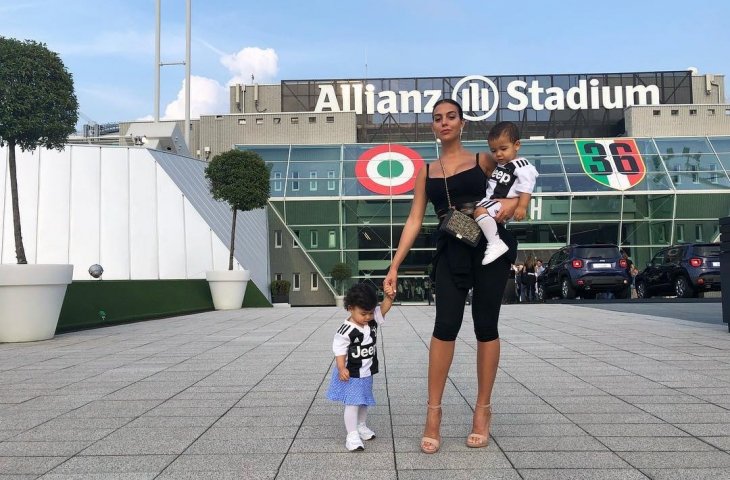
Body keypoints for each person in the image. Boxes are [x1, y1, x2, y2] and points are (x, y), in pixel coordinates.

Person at [383, 98, 518, 454]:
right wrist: (395, 265)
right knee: (445, 327)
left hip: (489, 245)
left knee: (486, 326)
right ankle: (433, 414)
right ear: (433, 127)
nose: (444, 123)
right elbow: (414, 220)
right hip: (452, 246)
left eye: (451, 117)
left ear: (462, 124)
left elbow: (516, 187)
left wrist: (512, 207)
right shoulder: (426, 171)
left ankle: (482, 411)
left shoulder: (483, 160)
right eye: (437, 119)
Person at [326, 282, 395, 451]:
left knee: (364, 401)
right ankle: (351, 435)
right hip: (352, 373)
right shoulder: (346, 330)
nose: (368, 317)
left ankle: (361, 425)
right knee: (353, 403)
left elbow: (383, 309)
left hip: (367, 371)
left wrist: (389, 298)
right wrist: (342, 368)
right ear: (350, 308)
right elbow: (339, 350)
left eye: (371, 312)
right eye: (363, 313)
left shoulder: (371, 321)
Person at [473, 121, 538, 265]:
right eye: (494, 150)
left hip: (500, 202)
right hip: (492, 201)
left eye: (503, 148)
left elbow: (527, 187)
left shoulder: (521, 165)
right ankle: (493, 241)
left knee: (479, 212)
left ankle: (495, 243)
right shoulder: (500, 166)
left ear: (517, 145)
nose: (498, 154)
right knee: (476, 212)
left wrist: (521, 206)